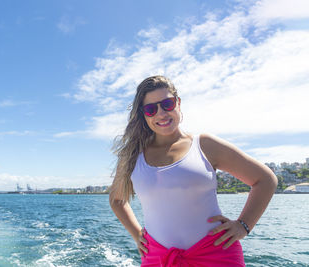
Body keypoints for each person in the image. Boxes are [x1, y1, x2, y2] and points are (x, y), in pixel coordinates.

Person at [109, 75, 277, 266]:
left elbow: (265, 179)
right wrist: (137, 233)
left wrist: (243, 225)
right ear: (143, 114)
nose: (161, 113)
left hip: (216, 255)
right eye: (151, 109)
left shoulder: (205, 145)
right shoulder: (132, 156)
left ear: (178, 103)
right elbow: (116, 200)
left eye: (167, 104)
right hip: (158, 259)